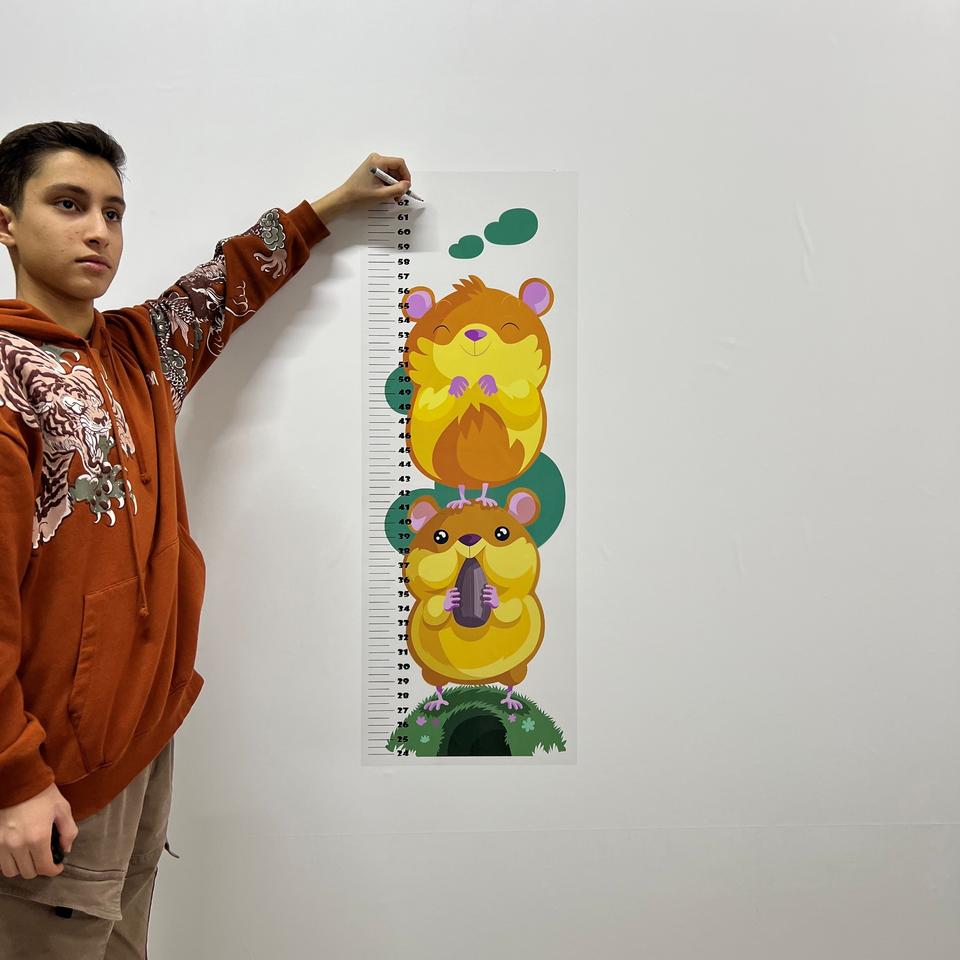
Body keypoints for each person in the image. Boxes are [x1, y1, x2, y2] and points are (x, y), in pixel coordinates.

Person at [0, 120, 412, 957]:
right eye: (68, 204)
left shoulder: (136, 352)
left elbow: (226, 284)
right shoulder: (7, 374)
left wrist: (337, 202)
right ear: (5, 221)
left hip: (138, 743)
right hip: (51, 775)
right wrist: (14, 778)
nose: (97, 230)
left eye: (113, 212)